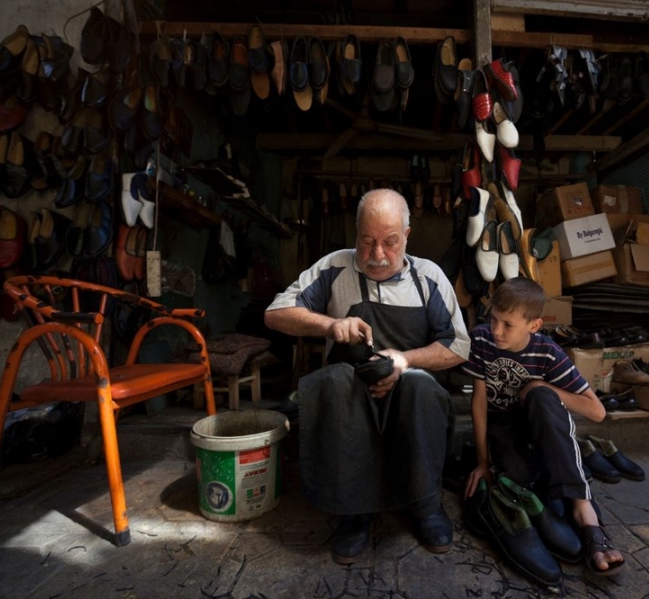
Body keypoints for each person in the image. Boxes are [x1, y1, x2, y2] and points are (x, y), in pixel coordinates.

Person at [265, 188, 470, 564]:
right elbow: (275, 313)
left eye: (390, 242)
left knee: (421, 385)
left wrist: (404, 361)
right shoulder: (334, 267)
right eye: (367, 241)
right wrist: (330, 325)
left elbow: (458, 346)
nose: (377, 255)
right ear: (355, 233)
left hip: (408, 398)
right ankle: (352, 510)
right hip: (352, 401)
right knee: (336, 380)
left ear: (407, 235)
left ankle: (426, 504)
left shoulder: (429, 278)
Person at [462, 277, 625, 575]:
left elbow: (597, 411)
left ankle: (585, 515)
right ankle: (565, 461)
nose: (496, 330)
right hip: (503, 426)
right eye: (494, 319)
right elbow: (480, 402)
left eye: (508, 325)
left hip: (538, 421)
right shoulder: (482, 340)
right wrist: (482, 462)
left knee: (541, 396)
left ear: (534, 326)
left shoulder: (548, 352)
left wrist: (541, 385)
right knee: (520, 477)